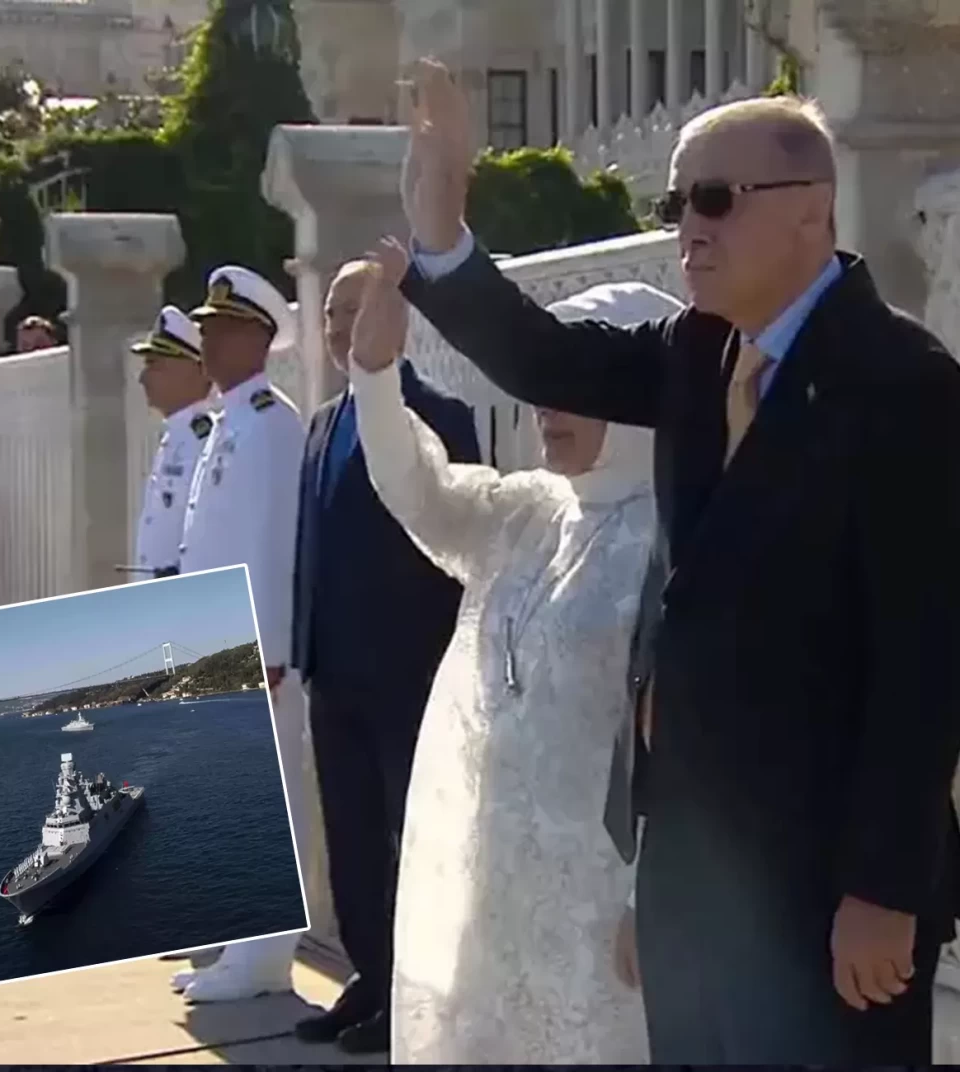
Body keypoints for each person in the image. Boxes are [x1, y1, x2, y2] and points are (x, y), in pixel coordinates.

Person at [395, 58, 960, 1064]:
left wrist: (881, 891)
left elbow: (924, 667)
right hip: (692, 889)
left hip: (823, 891)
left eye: (713, 199)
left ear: (808, 212)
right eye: (674, 201)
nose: (685, 227)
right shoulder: (699, 354)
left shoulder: (903, 386)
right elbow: (546, 358)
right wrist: (440, 233)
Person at [352, 252, 673, 1061]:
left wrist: (655, 899)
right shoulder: (525, 511)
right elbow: (416, 489)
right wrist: (373, 373)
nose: (547, 407)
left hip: (604, 914)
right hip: (489, 888)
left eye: (578, 384)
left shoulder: (676, 537)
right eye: (544, 381)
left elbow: (691, 744)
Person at [289, 258, 479, 1054]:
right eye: (331, 314)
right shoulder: (323, 422)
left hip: (409, 675)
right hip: (333, 675)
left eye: (355, 313)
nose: (339, 331)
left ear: (396, 321)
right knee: (355, 842)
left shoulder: (442, 417)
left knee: (417, 843)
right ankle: (370, 974)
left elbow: (459, 550)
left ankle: (416, 999)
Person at [172, 265, 309, 1003]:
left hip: (257, 651)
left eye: (220, 328)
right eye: (205, 327)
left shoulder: (270, 421)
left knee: (266, 802)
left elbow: (273, 539)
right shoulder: (229, 420)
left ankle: (264, 955)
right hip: (215, 641)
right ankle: (238, 944)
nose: (207, 339)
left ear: (256, 336)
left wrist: (271, 646)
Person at [129, 306, 215, 580]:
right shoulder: (176, 437)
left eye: (155, 365)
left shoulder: (208, 440)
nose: (143, 378)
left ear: (194, 370)